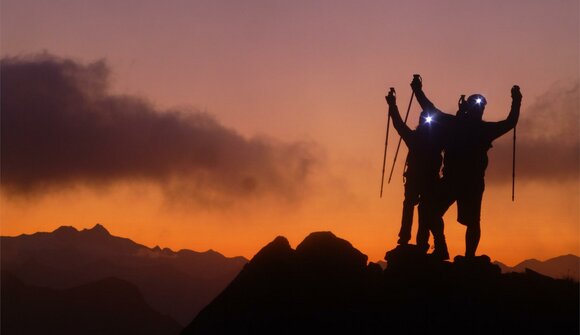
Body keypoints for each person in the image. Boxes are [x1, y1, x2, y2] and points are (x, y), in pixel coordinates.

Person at [413, 78, 522, 258]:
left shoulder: (455, 124)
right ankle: (459, 254)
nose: (480, 109)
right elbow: (510, 122)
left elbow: (429, 108)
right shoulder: (482, 129)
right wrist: (516, 101)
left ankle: (446, 249)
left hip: (457, 180)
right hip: (469, 182)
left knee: (433, 211)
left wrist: (417, 89)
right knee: (464, 219)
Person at [385, 87, 449, 259]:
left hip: (419, 179)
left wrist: (392, 106)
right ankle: (420, 243)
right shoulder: (439, 141)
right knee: (424, 210)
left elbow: (398, 124)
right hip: (428, 180)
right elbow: (399, 124)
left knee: (413, 206)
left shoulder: (415, 138)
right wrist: (392, 106)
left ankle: (409, 239)